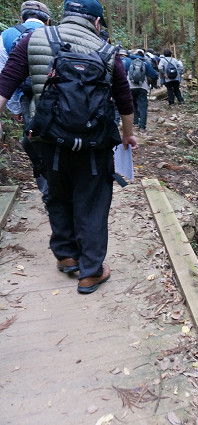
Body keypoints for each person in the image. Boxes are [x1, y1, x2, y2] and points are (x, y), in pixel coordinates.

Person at [0, 0, 137, 294]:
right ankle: (90, 273)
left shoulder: (33, 40)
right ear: (97, 22)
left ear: (63, 16)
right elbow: (124, 98)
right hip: (94, 144)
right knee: (93, 203)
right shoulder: (106, 51)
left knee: (57, 194)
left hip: (48, 138)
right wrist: (127, 134)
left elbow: (6, 82)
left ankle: (66, 256)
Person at [0, 1, 51, 204]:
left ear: (21, 18)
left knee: (33, 139)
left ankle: (46, 189)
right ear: (47, 20)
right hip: (53, 95)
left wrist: (14, 107)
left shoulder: (6, 36)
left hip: (25, 95)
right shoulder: (54, 34)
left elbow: (5, 75)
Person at [126, 48, 158, 133]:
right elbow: (154, 75)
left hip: (130, 87)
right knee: (143, 106)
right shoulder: (146, 62)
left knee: (132, 104)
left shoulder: (128, 61)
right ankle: (142, 127)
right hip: (142, 87)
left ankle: (135, 122)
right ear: (143, 56)